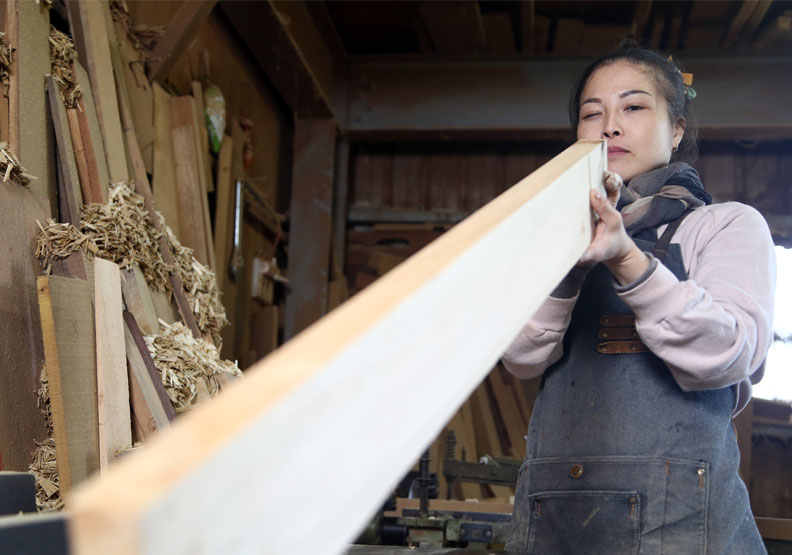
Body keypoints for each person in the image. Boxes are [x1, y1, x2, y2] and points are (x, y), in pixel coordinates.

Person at [502, 44, 776, 555]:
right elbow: (521, 358)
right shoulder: (556, 238)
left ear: (676, 130)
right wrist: (571, 266)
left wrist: (626, 258)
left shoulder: (724, 225)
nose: (610, 127)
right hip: (554, 514)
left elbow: (729, 353)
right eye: (592, 114)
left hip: (681, 516)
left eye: (633, 107)